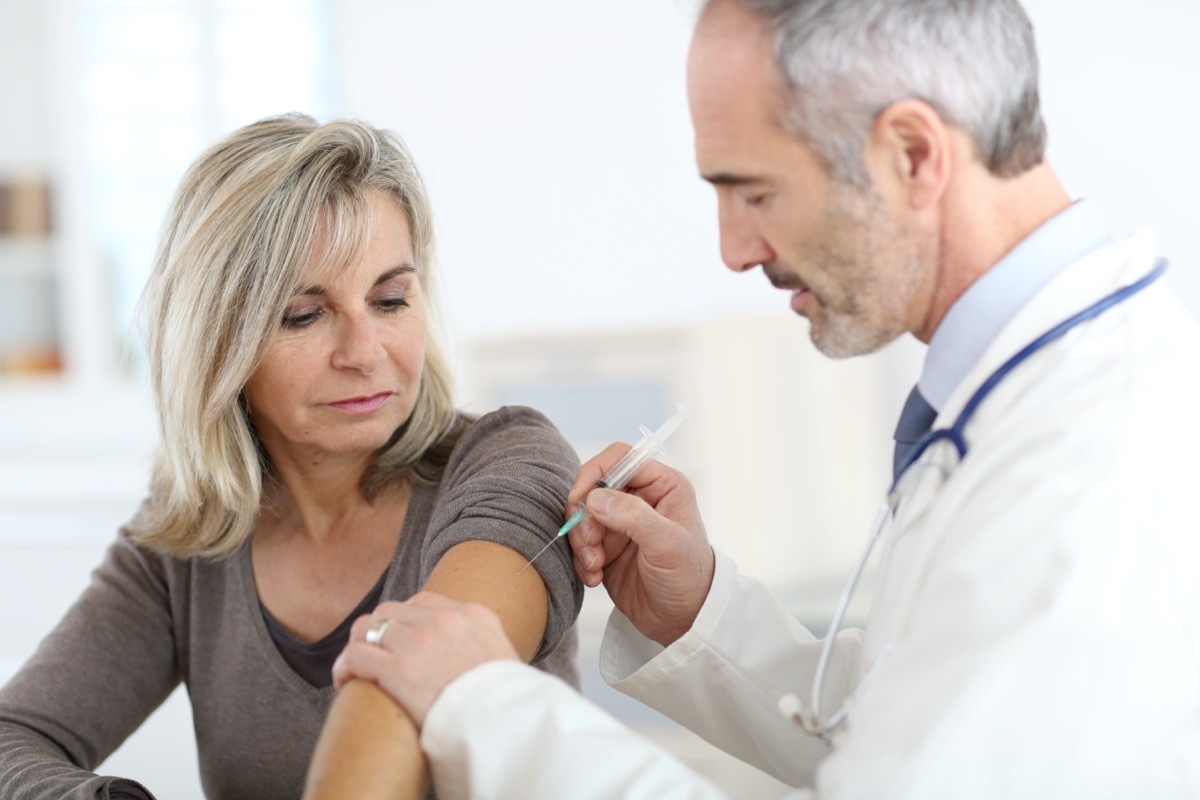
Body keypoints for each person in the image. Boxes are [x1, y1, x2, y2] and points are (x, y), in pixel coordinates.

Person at [315, 0, 1200, 798]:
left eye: (754, 191)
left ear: (913, 154)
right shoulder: (1017, 401)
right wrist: (701, 610)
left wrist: (490, 709)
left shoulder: (1089, 473)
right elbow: (901, 727)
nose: (735, 250)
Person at [0, 113, 584, 799]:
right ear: (220, 342)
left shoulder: (509, 464)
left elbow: (412, 681)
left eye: (390, 299)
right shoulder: (190, 541)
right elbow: (17, 738)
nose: (366, 353)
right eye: (304, 315)